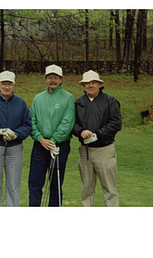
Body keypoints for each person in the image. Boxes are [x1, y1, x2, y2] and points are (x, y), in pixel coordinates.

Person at [0, 71, 32, 207]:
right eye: (4, 84)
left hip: (15, 148)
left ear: (14, 85)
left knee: (13, 187)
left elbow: (27, 125)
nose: (7, 87)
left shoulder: (21, 103)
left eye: (9, 84)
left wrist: (17, 134)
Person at [72, 70, 122, 207]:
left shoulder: (110, 101)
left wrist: (97, 134)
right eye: (87, 83)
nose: (90, 85)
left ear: (99, 84)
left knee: (109, 189)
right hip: (85, 151)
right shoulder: (79, 102)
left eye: (93, 82)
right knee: (87, 189)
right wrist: (80, 131)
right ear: (83, 85)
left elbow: (116, 123)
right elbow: (72, 123)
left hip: (104, 150)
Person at [28, 64, 75, 206]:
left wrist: (53, 141)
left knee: (55, 184)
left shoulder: (68, 98)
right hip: (39, 145)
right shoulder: (38, 98)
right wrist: (40, 139)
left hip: (59, 146)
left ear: (61, 80)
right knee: (35, 183)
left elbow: (67, 123)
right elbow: (32, 121)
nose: (52, 80)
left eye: (56, 77)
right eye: (50, 77)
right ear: (45, 79)